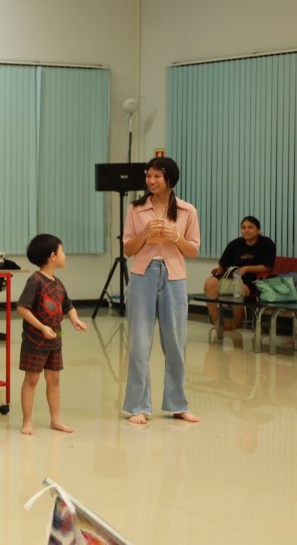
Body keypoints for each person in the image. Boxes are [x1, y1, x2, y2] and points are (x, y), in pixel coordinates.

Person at [122, 156, 200, 425]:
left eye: (157, 176)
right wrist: (144, 233)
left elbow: (193, 251)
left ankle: (178, 404)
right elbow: (128, 249)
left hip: (175, 278)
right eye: (148, 175)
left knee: (175, 344)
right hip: (142, 276)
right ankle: (137, 406)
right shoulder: (136, 209)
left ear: (170, 179)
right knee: (139, 344)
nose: (151, 181)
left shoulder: (187, 211)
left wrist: (175, 237)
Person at [16, 234, 88, 435]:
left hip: (54, 342)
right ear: (52, 256)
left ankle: (55, 420)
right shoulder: (35, 280)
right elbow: (22, 307)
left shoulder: (58, 283)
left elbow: (68, 305)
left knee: (54, 379)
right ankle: (27, 421)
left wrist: (75, 320)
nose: (65, 255)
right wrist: (41, 327)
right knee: (32, 379)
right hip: (34, 341)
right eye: (62, 251)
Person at [202, 216, 276, 331]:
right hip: (232, 276)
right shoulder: (235, 244)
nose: (246, 230)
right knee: (209, 283)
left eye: (250, 227)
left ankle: (237, 323)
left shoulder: (267, 243)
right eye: (243, 227)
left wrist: (246, 268)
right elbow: (222, 264)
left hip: (252, 280)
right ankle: (218, 322)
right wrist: (218, 276)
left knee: (236, 289)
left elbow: (267, 268)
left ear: (258, 230)